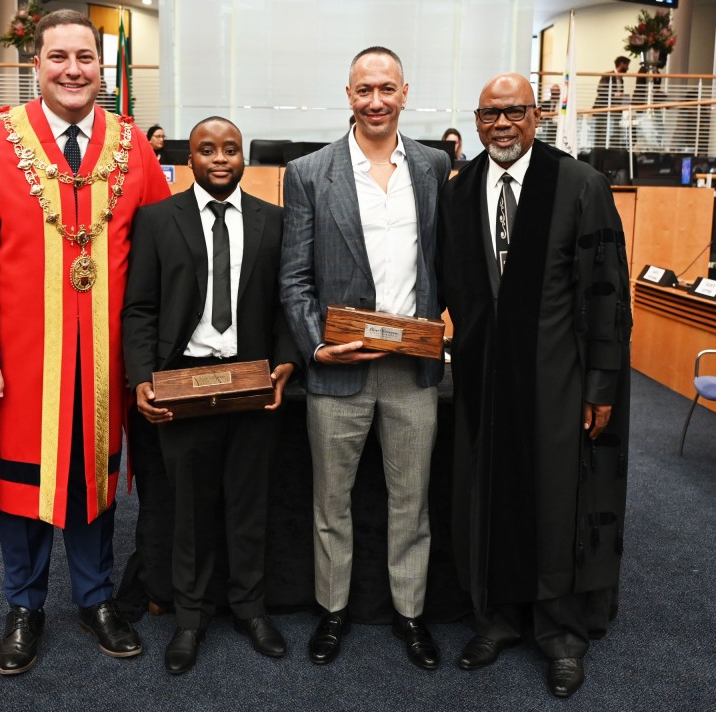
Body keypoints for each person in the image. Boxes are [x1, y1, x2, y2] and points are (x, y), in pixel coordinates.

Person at [0, 9, 171, 677]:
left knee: (95, 485)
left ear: (101, 68)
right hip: (21, 357)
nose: (72, 70)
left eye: (84, 58)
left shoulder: (130, 145)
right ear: (36, 65)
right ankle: (24, 606)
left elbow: (161, 253)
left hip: (105, 358)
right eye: (58, 57)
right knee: (22, 485)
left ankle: (96, 600)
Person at [436, 73, 631, 699]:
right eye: (489, 113)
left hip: (556, 379)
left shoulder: (578, 184)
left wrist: (600, 385)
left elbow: (606, 295)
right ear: (476, 118)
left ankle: (561, 635)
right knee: (487, 493)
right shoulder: (460, 192)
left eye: (514, 112)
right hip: (484, 378)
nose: (501, 124)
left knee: (555, 500)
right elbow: (444, 286)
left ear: (536, 115)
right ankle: (495, 621)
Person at [278, 46, 450, 670]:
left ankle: (410, 615)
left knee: (412, 501)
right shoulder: (308, 173)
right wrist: (316, 346)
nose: (374, 101)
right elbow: (294, 280)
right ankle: (332, 612)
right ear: (347, 95)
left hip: (412, 373)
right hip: (338, 372)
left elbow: (444, 262)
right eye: (362, 91)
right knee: (333, 502)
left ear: (405, 91)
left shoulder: (434, 166)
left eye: (385, 89)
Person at [122, 116, 300, 675]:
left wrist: (285, 364)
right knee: (189, 513)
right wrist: (141, 378)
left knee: (250, 507)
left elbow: (285, 305)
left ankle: (250, 609)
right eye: (207, 149)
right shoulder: (155, 221)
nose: (220, 158)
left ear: (243, 156)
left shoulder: (275, 221)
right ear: (189, 158)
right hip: (185, 388)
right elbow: (140, 308)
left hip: (252, 390)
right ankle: (190, 618)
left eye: (230, 149)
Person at [593, 56, 630, 148]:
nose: (628, 68)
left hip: (615, 110)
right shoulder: (608, 75)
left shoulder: (621, 79)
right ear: (621, 64)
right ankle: (599, 156)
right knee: (602, 133)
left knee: (614, 133)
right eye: (627, 65)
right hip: (603, 109)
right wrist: (615, 94)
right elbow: (601, 90)